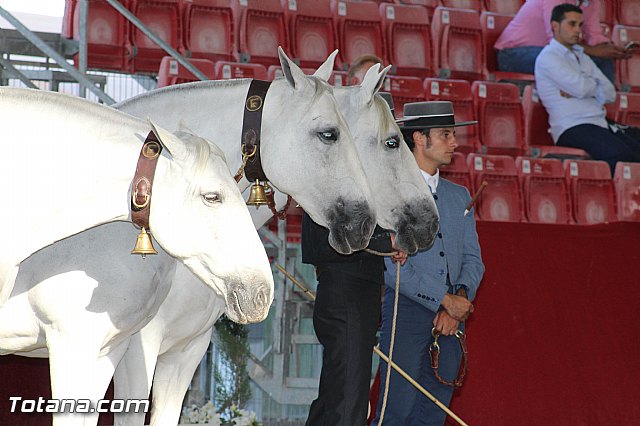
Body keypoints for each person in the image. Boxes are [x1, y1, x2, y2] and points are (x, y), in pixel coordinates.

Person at [302, 55, 406, 426]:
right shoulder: (331, 154)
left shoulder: (361, 157)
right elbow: (332, 230)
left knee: (340, 392)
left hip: (360, 286)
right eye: (369, 86)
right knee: (347, 397)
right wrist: (386, 242)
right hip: (344, 284)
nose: (375, 95)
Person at [372, 101, 484, 426]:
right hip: (404, 310)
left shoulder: (459, 195)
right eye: (446, 135)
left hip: (452, 314)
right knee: (397, 408)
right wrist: (444, 301)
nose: (455, 143)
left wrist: (457, 300)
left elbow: (475, 259)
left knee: (434, 411)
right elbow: (391, 266)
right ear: (419, 139)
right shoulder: (391, 192)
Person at [535, 3, 640, 173]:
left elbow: (609, 93)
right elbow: (582, 88)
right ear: (555, 26)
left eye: (580, 25)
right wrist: (590, 86)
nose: (577, 30)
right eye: (572, 24)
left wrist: (583, 88)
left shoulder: (581, 56)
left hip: (598, 123)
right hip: (573, 127)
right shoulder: (548, 58)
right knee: (620, 156)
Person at [494, 0, 632, 83]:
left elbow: (595, 36)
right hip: (512, 55)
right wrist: (596, 51)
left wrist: (611, 50)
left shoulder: (591, 3)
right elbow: (558, 39)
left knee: (603, 60)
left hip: (548, 52)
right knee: (568, 59)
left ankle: (604, 110)